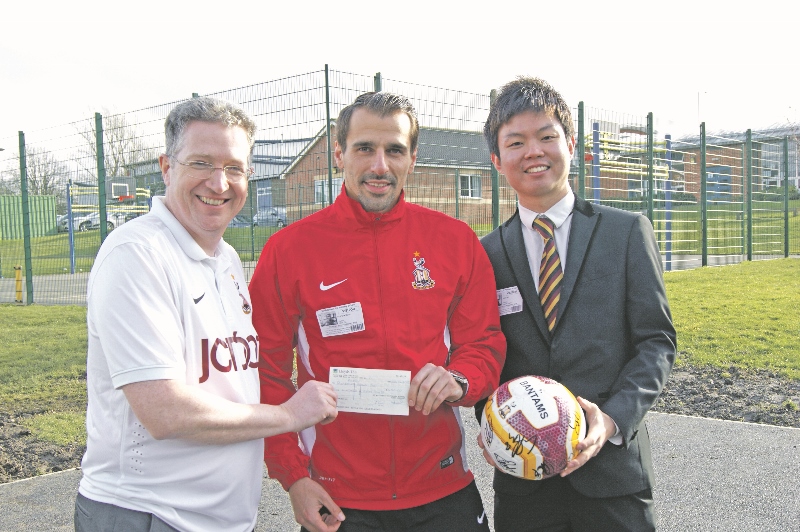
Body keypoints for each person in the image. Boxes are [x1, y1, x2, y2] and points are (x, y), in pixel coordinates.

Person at [75, 96, 338, 532]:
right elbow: (166, 412)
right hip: (148, 514)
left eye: (234, 168)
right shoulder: (137, 254)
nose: (219, 183)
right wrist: (291, 415)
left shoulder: (227, 260)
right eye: (201, 162)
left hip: (220, 519)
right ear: (166, 167)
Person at [249, 91, 506, 532]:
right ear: (339, 154)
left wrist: (459, 379)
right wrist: (293, 477)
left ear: (413, 159)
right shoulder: (289, 251)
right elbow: (265, 372)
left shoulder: (455, 241)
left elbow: (483, 342)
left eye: (394, 150)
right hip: (338, 495)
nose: (379, 166)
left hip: (441, 487)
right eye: (364, 148)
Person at [477, 77, 676, 531]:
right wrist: (492, 424)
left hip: (613, 472)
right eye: (516, 142)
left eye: (547, 136)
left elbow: (656, 341)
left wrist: (611, 420)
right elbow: (481, 350)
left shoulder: (626, 232)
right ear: (496, 160)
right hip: (524, 479)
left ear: (571, 144)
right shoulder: (483, 255)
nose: (534, 152)